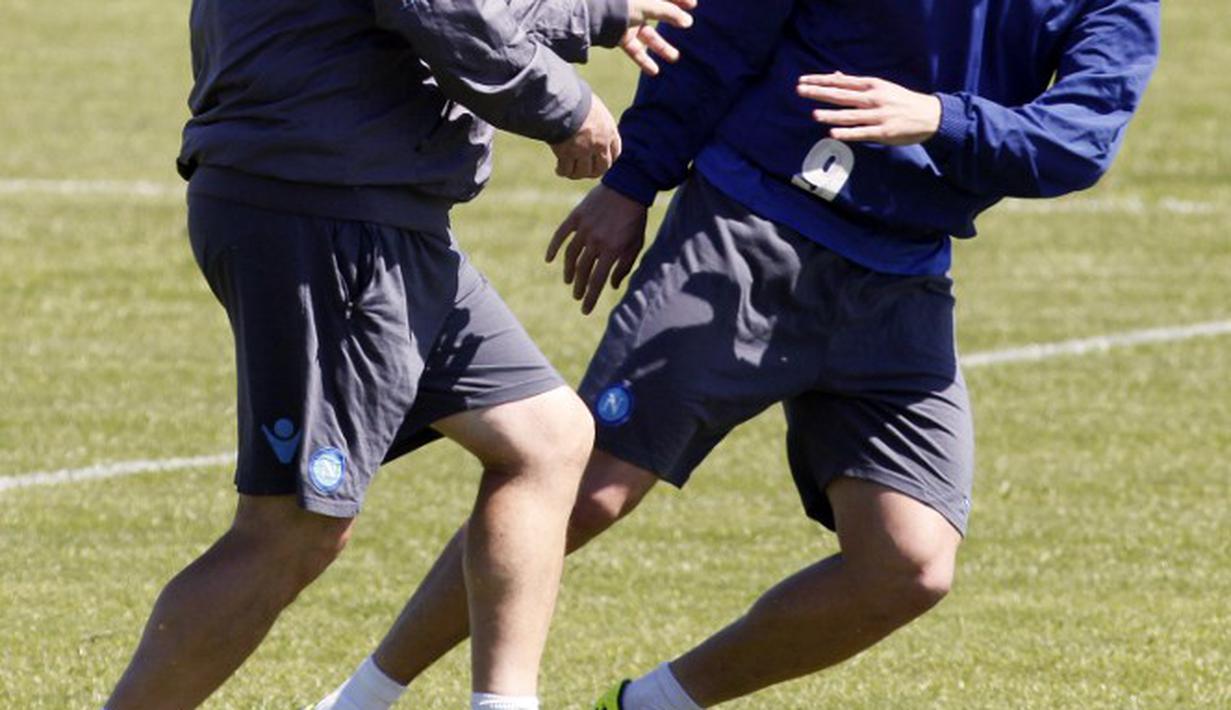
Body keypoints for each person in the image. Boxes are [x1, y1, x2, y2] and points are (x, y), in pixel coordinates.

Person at [317, 0, 1161, 708]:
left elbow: (1081, 139)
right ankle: (363, 698)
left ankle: (647, 705)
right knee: (585, 489)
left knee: (907, 566)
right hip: (748, 226)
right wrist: (631, 180)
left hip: (902, 275)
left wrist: (939, 116)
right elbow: (723, 27)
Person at [102, 1, 696, 709]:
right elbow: (440, 7)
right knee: (292, 529)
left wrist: (599, 12)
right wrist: (565, 106)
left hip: (364, 203)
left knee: (545, 437)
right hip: (327, 207)